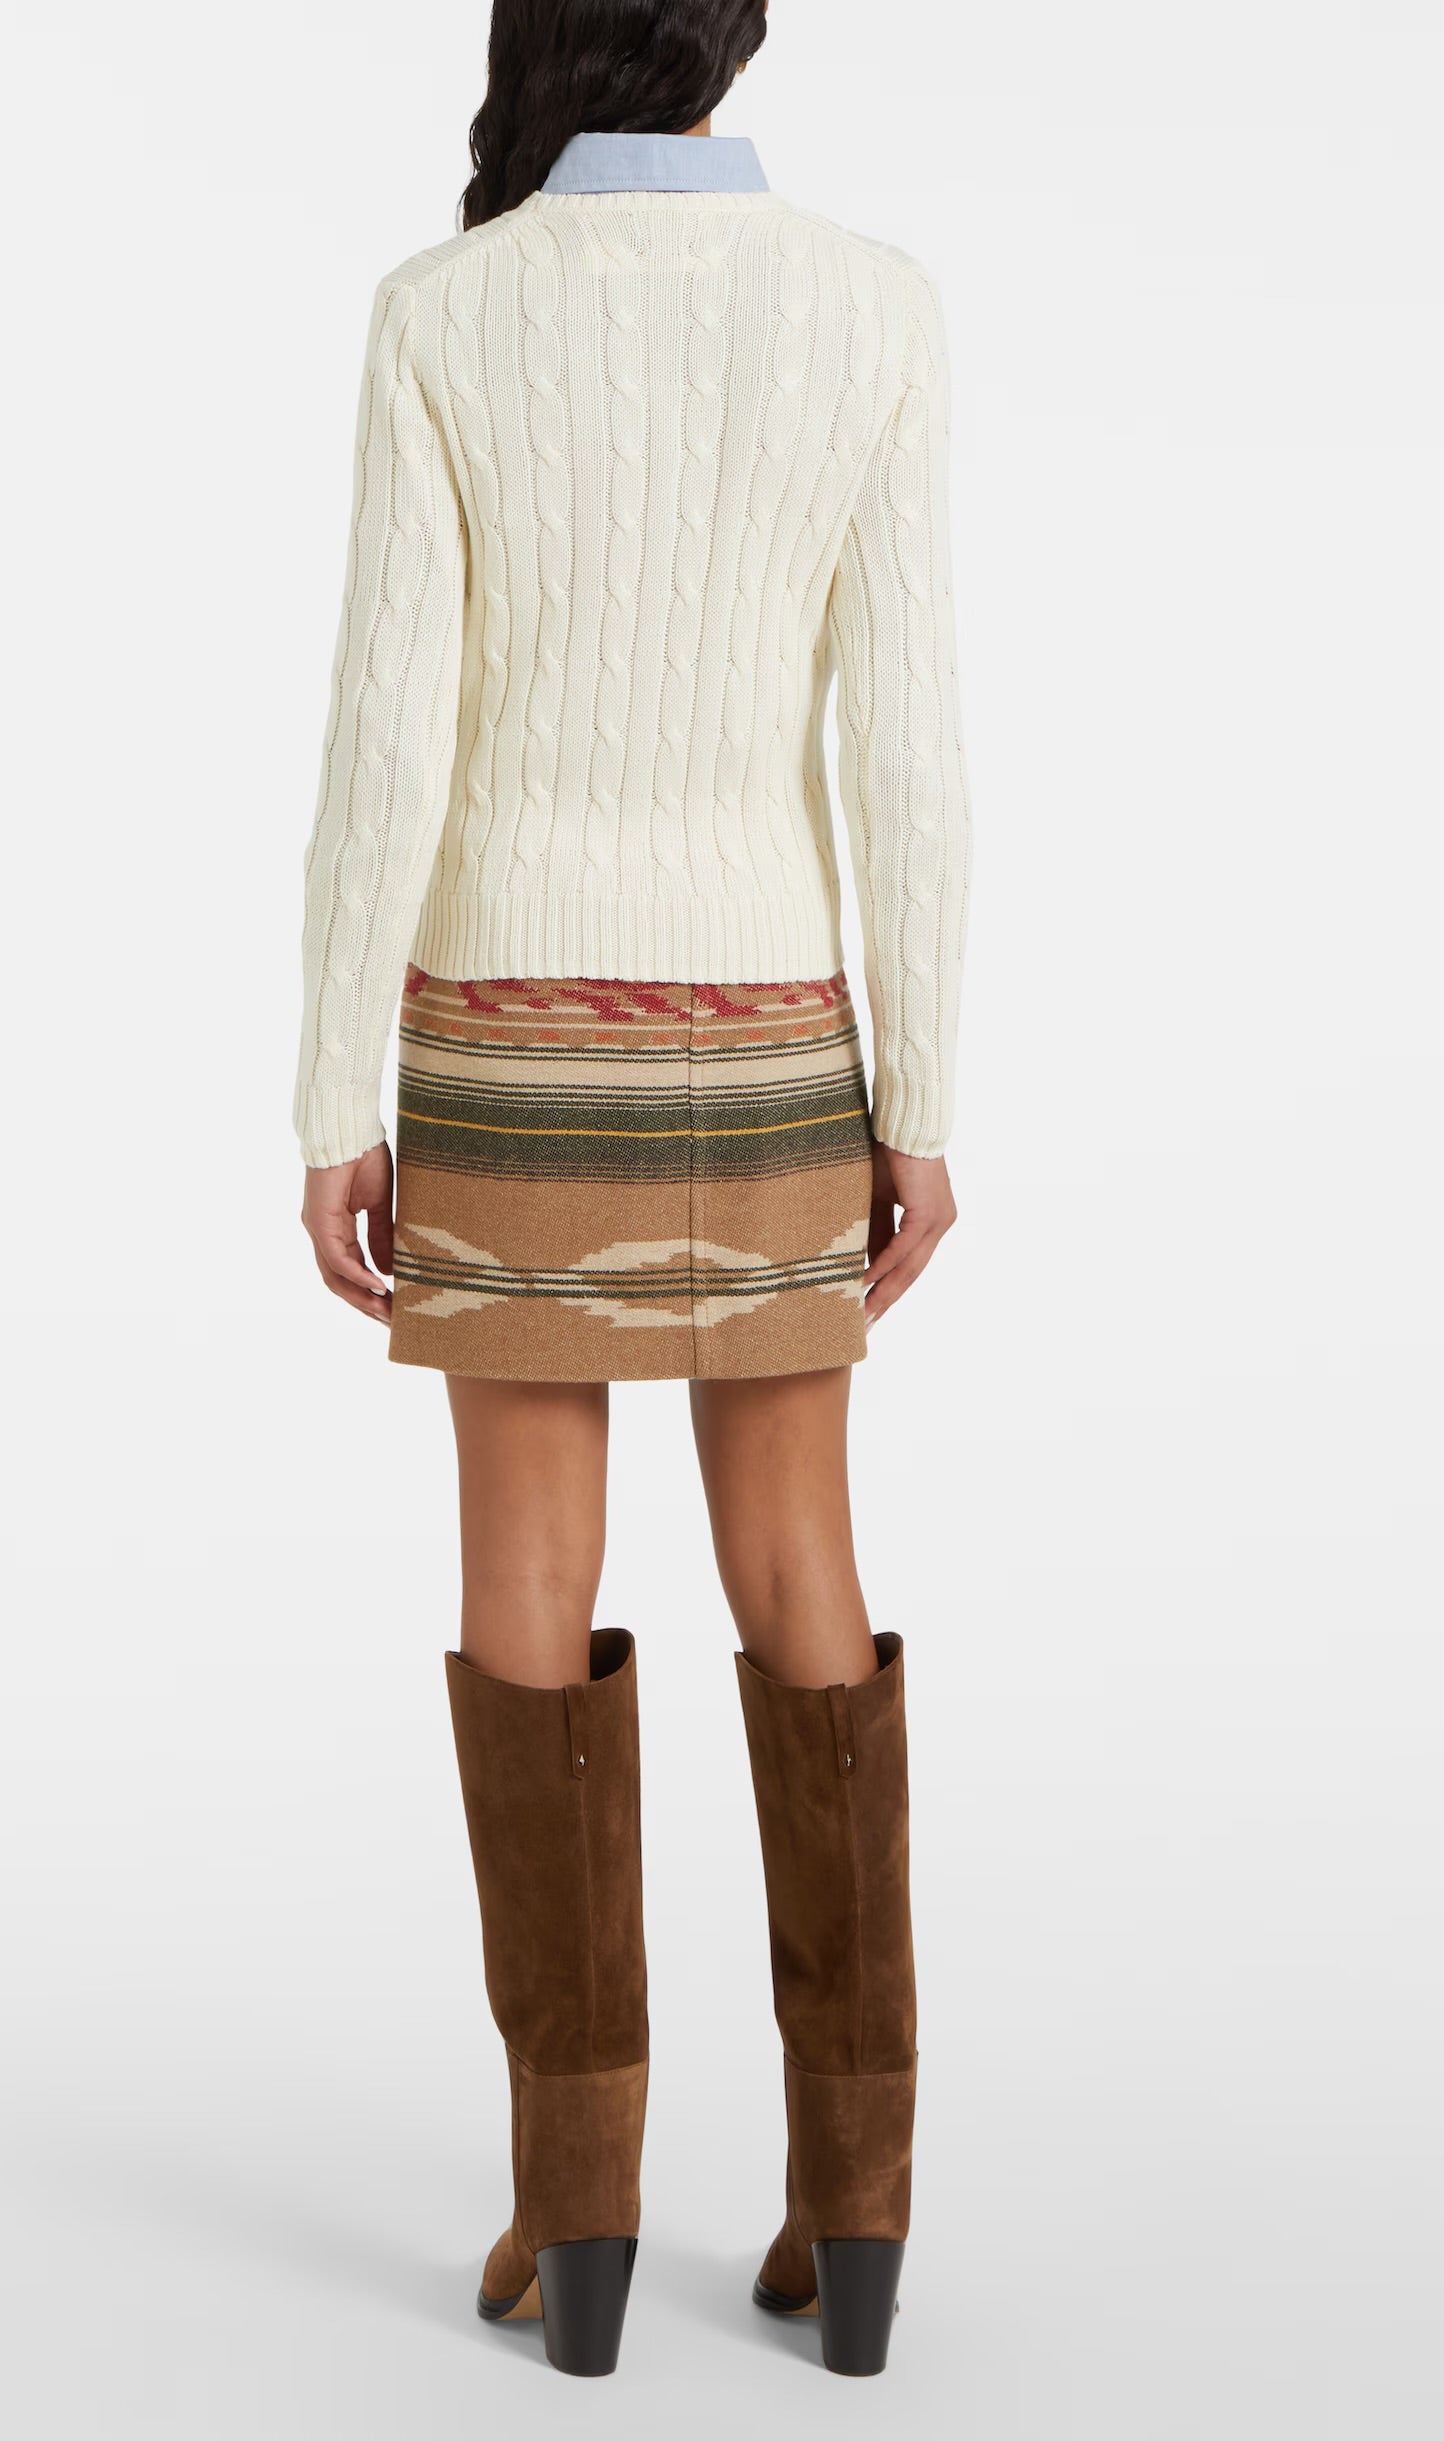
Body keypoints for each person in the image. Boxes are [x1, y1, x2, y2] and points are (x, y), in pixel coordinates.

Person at [295, 0, 969, 2379]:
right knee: (804, 1566)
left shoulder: (442, 314)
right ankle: (858, 2209)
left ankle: (574, 2212)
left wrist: (333, 1093)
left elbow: (389, 733)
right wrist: (923, 1097)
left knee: (526, 1572)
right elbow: (908, 743)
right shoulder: (871, 309)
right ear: (730, 36)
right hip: (773, 1027)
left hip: (505, 1023)